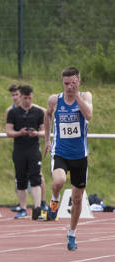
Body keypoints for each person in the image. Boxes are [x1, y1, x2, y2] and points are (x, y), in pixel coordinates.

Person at [43, 67, 92, 251]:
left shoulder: (85, 97)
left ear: (78, 81)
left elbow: (88, 115)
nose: (69, 87)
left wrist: (77, 94)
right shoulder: (55, 100)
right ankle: (54, 200)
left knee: (77, 198)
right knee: (59, 180)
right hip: (60, 151)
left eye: (72, 83)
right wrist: (47, 140)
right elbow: (47, 115)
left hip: (79, 155)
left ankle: (71, 232)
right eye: (66, 84)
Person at [6, 84, 48, 212]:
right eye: (25, 98)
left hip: (33, 149)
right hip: (19, 149)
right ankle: (23, 207)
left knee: (36, 177)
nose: (27, 101)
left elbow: (44, 131)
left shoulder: (38, 112)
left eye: (29, 98)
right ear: (21, 97)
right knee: (21, 178)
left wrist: (36, 133)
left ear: (32, 96)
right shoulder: (13, 112)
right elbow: (8, 132)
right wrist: (20, 133)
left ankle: (37, 207)